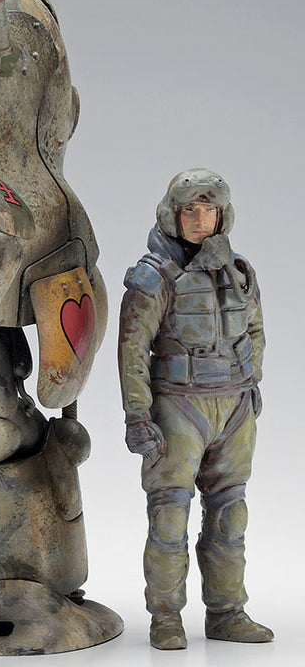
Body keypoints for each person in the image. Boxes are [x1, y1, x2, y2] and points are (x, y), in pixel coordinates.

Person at [118, 168, 274, 649]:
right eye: (191, 210)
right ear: (174, 214)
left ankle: (227, 611)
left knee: (231, 515)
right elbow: (132, 351)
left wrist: (251, 382)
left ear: (223, 216)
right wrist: (138, 416)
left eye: (210, 210)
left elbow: (254, 331)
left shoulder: (239, 272)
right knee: (169, 517)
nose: (201, 219)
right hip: (178, 407)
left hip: (234, 405)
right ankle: (166, 617)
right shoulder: (154, 276)